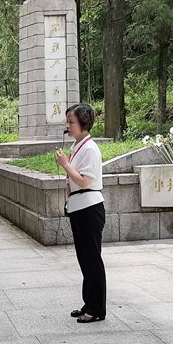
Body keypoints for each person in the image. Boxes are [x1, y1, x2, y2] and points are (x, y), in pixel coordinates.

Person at [54, 103, 107, 323]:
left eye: (72, 122)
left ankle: (96, 309)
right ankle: (89, 304)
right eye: (67, 122)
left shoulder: (90, 149)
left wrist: (66, 165)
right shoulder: (79, 146)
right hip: (79, 208)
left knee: (92, 259)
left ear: (84, 123)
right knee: (84, 259)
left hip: (89, 208)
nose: (68, 126)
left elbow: (85, 181)